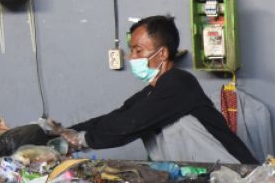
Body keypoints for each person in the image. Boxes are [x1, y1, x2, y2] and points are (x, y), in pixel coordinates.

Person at [56, 15, 257, 164]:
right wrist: (65, 132)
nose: (131, 57)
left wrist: (79, 140)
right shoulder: (152, 92)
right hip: (208, 181)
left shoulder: (179, 83)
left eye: (138, 50)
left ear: (162, 54)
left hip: (236, 178)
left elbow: (129, 125)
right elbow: (116, 117)